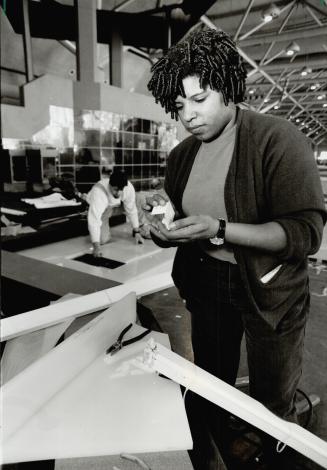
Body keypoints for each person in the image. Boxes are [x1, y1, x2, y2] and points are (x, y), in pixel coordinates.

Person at [144, 29, 326, 469]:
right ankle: (216, 447)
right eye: (179, 105)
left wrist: (220, 229)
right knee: (211, 379)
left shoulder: (277, 140)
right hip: (207, 281)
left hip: (269, 286)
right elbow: (176, 210)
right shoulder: (183, 155)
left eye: (200, 99)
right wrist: (160, 225)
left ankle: (275, 453)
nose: (188, 114)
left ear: (228, 88)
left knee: (273, 392)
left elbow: (304, 232)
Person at [87, 169, 144, 257]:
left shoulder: (128, 188)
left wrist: (136, 232)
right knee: (102, 240)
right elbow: (94, 219)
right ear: (110, 185)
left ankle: (142, 229)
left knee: (139, 198)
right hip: (104, 208)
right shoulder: (99, 193)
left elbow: (131, 210)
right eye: (115, 189)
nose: (118, 192)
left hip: (118, 205)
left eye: (121, 190)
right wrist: (96, 247)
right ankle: (102, 230)